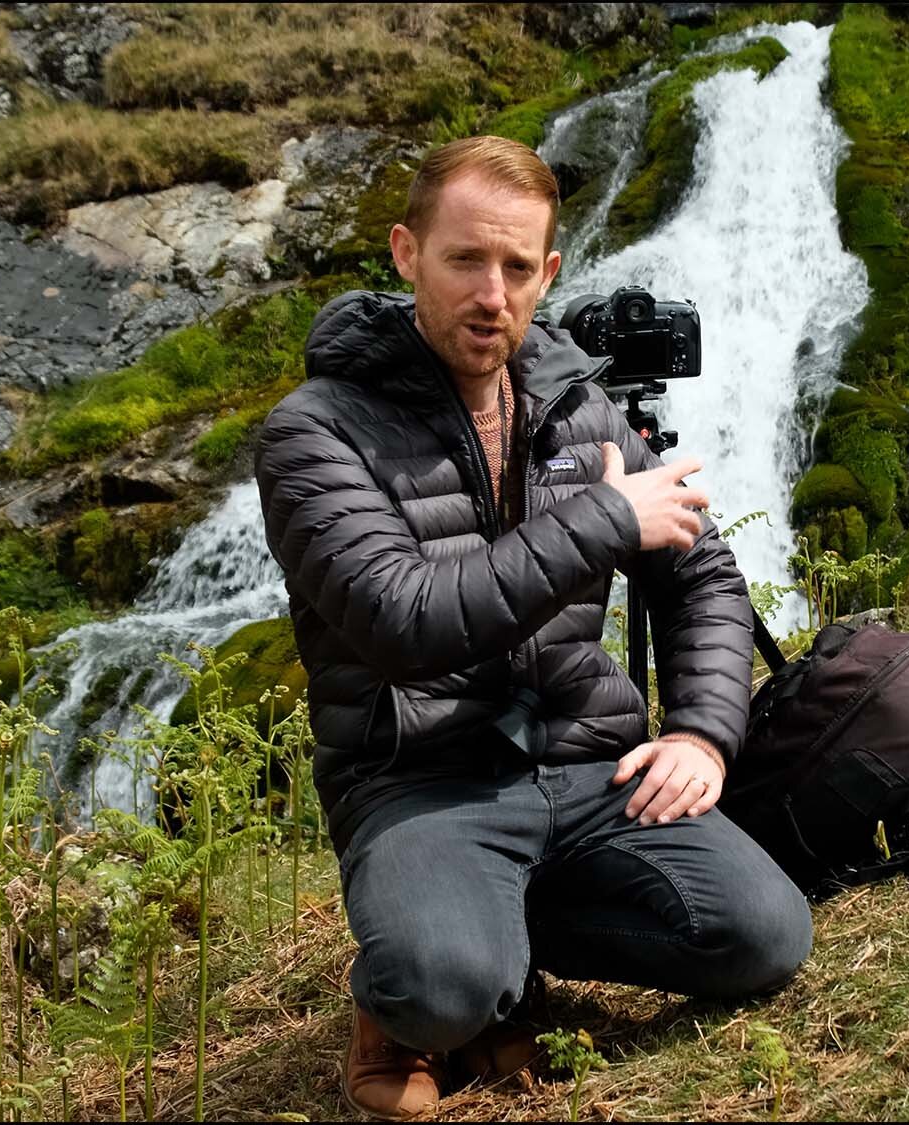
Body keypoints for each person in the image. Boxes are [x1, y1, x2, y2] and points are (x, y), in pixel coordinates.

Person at [253, 135, 813, 1120]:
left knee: (764, 937)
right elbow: (399, 619)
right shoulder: (315, 430)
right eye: (465, 260)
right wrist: (599, 519)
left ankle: (494, 945)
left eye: (517, 269)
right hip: (419, 780)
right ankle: (415, 1000)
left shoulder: (578, 409)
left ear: (547, 272)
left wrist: (699, 731)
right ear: (404, 252)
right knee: (439, 988)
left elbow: (704, 574)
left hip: (584, 765)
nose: (491, 295)